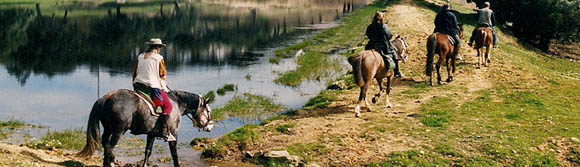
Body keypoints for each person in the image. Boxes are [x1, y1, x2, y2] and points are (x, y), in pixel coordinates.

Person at [132, 38, 175, 142]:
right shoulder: (159, 58)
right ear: (158, 48)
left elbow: (134, 73)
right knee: (168, 107)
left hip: (138, 85)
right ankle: (163, 132)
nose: (160, 49)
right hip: (152, 86)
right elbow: (162, 75)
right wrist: (164, 89)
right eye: (160, 47)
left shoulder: (141, 56)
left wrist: (134, 85)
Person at [365, 12, 403, 78]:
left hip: (371, 45)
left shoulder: (370, 26)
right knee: (394, 56)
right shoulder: (384, 26)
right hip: (383, 46)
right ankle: (396, 73)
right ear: (382, 18)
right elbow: (389, 36)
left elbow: (368, 35)